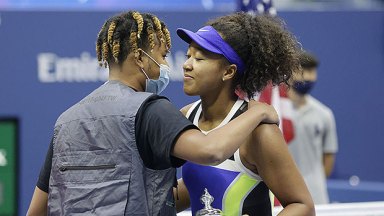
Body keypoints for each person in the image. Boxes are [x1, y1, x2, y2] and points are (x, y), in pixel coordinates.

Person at [26, 11, 280, 216]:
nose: (171, 65)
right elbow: (210, 151)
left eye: (198, 58)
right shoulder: (152, 109)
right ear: (140, 58)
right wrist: (258, 113)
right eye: (162, 56)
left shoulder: (66, 121)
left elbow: (38, 209)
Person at [174, 12, 315, 215]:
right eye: (188, 55)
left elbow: (303, 206)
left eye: (199, 58)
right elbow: (200, 186)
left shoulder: (260, 132)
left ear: (228, 72)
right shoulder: (186, 116)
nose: (187, 64)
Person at [287, 51, 339, 204]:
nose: (307, 77)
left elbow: (328, 156)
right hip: (280, 193)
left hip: (316, 196)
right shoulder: (275, 111)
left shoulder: (324, 114)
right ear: (289, 72)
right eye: (301, 71)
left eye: (311, 71)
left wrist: (315, 182)